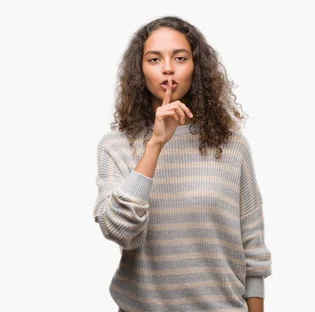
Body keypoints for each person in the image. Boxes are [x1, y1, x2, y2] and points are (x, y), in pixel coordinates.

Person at [92, 15, 272, 312]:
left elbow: (252, 244)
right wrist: (156, 144)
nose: (167, 68)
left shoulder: (232, 145)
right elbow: (120, 231)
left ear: (195, 67)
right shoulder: (116, 146)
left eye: (180, 57)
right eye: (154, 59)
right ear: (140, 70)